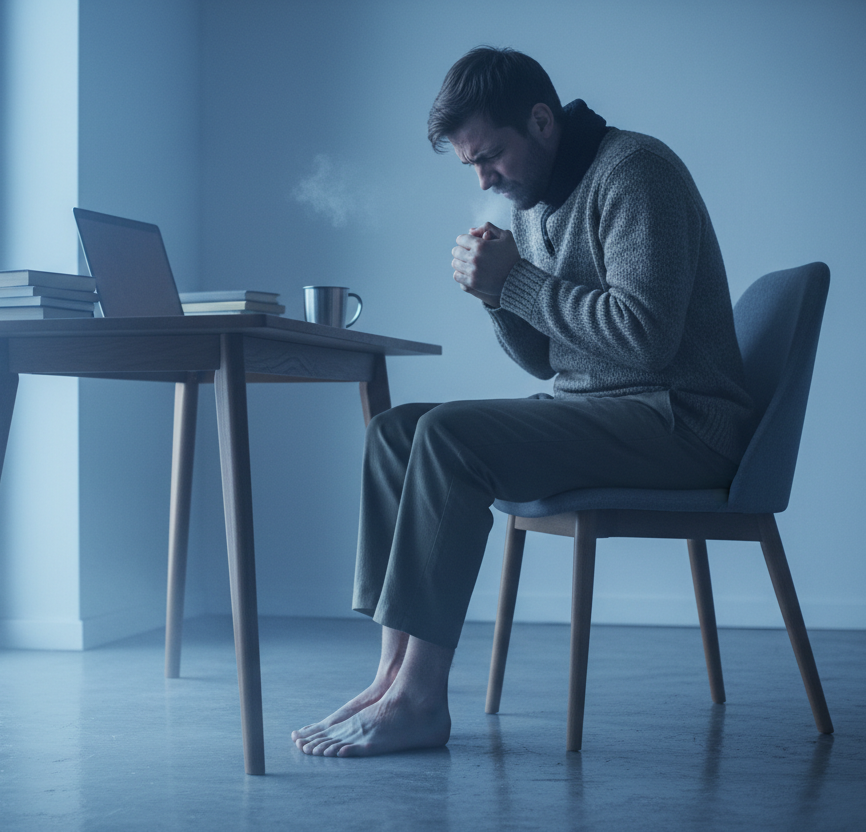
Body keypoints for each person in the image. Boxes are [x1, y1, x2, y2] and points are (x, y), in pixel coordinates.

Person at [292, 46, 752, 758]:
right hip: (598, 410)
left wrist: (514, 285)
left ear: (541, 121)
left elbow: (646, 339)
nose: (484, 177)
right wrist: (495, 299)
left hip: (678, 417)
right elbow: (548, 356)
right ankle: (390, 674)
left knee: (448, 438)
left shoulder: (636, 172)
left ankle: (422, 700)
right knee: (396, 432)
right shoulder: (538, 201)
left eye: (491, 156)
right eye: (471, 166)